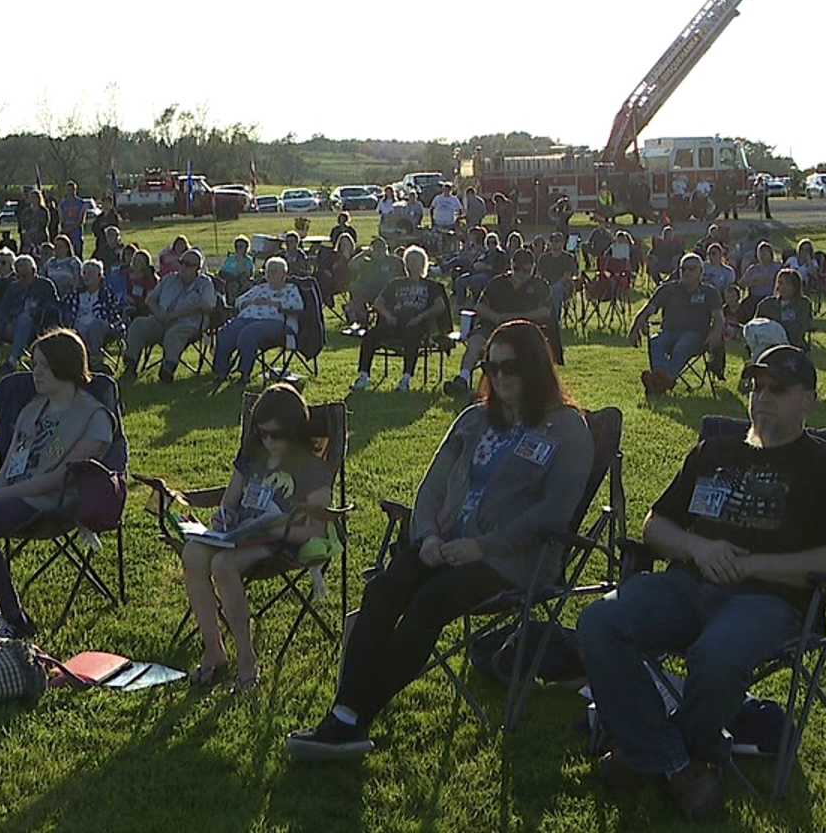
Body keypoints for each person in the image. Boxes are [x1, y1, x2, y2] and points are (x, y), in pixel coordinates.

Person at [577, 345, 826, 821]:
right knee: (599, 623)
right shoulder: (715, 450)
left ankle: (649, 753)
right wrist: (699, 549)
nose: (762, 397)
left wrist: (753, 566)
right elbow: (656, 526)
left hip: (768, 601)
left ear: (809, 400)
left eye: (778, 388)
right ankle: (680, 766)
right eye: (756, 386)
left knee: (717, 657)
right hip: (687, 584)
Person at [286, 320, 592, 761]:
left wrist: (483, 547)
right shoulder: (473, 419)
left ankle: (352, 718)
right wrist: (426, 535)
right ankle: (345, 717)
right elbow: (431, 488)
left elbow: (552, 515)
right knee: (383, 589)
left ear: (537, 368)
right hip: (448, 545)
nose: (500, 376)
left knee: (429, 602)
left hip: (516, 560)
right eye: (492, 365)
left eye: (512, 367)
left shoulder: (567, 430)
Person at [0, 329, 114, 643]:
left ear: (64, 366)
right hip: (14, 494)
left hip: (55, 501)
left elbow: (59, 479)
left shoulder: (94, 417)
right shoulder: (32, 410)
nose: (34, 372)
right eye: (33, 363)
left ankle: (14, 617)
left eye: (42, 365)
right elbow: (11, 462)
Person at [182, 382, 332, 692]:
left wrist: (276, 528)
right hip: (240, 534)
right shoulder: (252, 451)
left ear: (293, 431)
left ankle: (247, 660)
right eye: (261, 433)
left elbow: (318, 528)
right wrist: (223, 517)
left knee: (223, 565)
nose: (267, 440)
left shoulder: (311, 467)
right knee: (193, 553)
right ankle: (215, 649)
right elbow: (230, 497)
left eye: (275, 434)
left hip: (281, 541)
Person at [447, 248, 552, 397]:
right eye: (516, 268)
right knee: (476, 341)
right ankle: (462, 379)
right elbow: (480, 306)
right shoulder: (498, 283)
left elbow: (545, 311)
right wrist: (495, 316)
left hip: (525, 329)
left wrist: (518, 316)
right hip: (493, 325)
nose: (520, 274)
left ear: (533, 268)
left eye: (525, 270)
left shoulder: (540, 286)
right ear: (511, 265)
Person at [629, 253, 726, 397]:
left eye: (691, 269)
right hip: (668, 333)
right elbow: (648, 309)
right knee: (656, 341)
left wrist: (716, 333)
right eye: (683, 269)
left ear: (701, 272)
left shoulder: (709, 292)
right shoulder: (668, 289)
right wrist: (636, 327)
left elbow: (719, 318)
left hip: (696, 336)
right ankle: (662, 380)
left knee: (683, 344)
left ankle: (661, 381)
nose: (686, 272)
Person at [352, 247, 446, 393]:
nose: (410, 264)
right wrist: (388, 316)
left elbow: (440, 306)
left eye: (414, 261)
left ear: (422, 264)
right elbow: (378, 303)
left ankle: (406, 379)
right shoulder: (396, 283)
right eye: (408, 261)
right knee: (370, 335)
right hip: (394, 322)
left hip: (417, 324)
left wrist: (420, 317)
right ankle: (363, 376)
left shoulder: (431, 286)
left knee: (412, 336)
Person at [124, 249, 216, 384]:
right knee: (139, 324)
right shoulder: (169, 279)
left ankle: (168, 368)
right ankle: (130, 365)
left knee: (175, 333)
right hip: (160, 319)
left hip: (188, 323)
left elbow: (207, 305)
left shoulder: (204, 283)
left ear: (198, 268)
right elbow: (150, 299)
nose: (183, 266)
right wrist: (159, 313)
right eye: (182, 262)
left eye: (189, 264)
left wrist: (177, 314)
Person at [211, 257, 303, 385]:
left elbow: (297, 306)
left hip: (277, 323)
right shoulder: (260, 288)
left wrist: (273, 303)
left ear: (284, 274)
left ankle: (244, 373)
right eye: (268, 271)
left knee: (249, 333)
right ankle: (220, 371)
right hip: (247, 319)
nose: (270, 275)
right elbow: (238, 302)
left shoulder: (290, 289)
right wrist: (251, 302)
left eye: (274, 272)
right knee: (226, 332)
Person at [0, 254, 61, 373]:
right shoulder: (13, 287)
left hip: (33, 328)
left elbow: (54, 306)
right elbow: (2, 309)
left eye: (25, 276)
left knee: (24, 318)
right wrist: (6, 322)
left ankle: (12, 361)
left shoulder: (45, 285)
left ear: (34, 271)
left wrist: (35, 312)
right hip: (9, 325)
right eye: (18, 276)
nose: (22, 279)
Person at [60, 259, 125, 367]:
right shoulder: (76, 293)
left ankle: (95, 361)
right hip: (78, 327)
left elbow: (111, 316)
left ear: (99, 276)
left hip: (102, 327)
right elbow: (64, 308)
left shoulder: (106, 293)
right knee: (72, 331)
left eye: (90, 273)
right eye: (84, 273)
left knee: (95, 325)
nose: (86, 276)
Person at [753, 267, 815, 354]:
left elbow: (801, 326)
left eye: (788, 284)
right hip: (768, 347)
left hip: (794, 346)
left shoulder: (803, 303)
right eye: (781, 283)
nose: (783, 287)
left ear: (795, 286)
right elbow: (756, 326)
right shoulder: (766, 304)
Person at [217, 235, 256, 302]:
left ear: (246, 248)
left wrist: (241, 260)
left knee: (243, 280)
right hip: (229, 278)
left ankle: (236, 300)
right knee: (231, 283)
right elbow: (223, 271)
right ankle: (232, 301)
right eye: (236, 247)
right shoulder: (231, 258)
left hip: (242, 280)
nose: (238, 249)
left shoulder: (248, 260)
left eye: (241, 247)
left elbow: (249, 274)